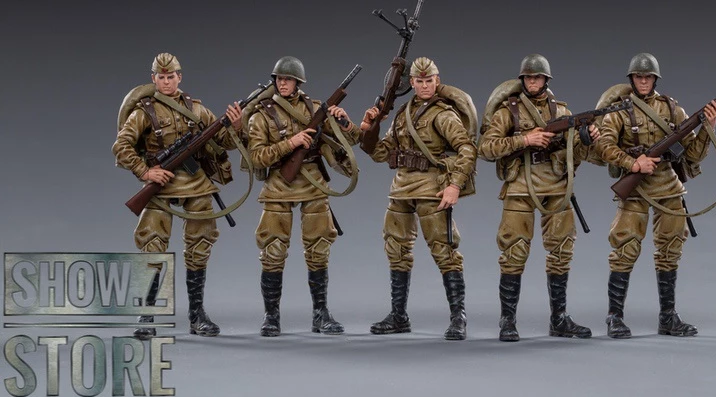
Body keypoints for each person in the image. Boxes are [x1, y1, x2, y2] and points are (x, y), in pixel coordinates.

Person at [113, 52, 243, 338]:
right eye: (161, 77)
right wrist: (145, 172)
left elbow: (221, 141)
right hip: (161, 186)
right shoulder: (144, 111)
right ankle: (147, 314)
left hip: (196, 184)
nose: (167, 82)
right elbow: (121, 146)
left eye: (171, 77)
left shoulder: (196, 109)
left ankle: (197, 314)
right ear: (153, 78)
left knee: (200, 247)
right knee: (152, 248)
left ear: (179, 77)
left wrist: (236, 126)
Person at [596, 52, 716, 339]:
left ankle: (668, 316)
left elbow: (693, 154)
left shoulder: (672, 109)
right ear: (631, 78)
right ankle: (615, 316)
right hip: (636, 188)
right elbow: (603, 146)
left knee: (670, 250)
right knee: (625, 249)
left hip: (667, 186)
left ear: (655, 79)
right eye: (639, 76)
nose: (643, 81)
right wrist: (632, 164)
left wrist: (708, 128)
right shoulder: (619, 111)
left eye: (648, 77)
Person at [479, 54, 599, 342]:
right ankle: (508, 320)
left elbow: (576, 154)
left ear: (546, 80)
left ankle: (559, 319)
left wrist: (586, 138)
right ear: (522, 80)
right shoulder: (508, 112)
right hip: (520, 187)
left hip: (556, 186)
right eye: (528, 77)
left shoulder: (562, 112)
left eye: (538, 77)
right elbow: (485, 148)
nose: (533, 81)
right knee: (513, 253)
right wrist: (525, 139)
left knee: (562, 252)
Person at [360, 57, 477, 340]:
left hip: (431, 189)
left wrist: (455, 185)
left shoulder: (443, 114)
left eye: (429, 81)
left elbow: (467, 149)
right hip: (401, 188)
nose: (425, 86)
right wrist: (367, 130)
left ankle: (458, 317)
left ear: (437, 81)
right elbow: (381, 152)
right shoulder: (402, 114)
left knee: (445, 251)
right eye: (420, 81)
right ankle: (398, 316)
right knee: (396, 250)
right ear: (411, 83)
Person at [247, 56, 359, 337]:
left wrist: (344, 122)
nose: (283, 83)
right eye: (279, 79)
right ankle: (271, 316)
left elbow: (351, 141)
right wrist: (291, 143)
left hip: (313, 182)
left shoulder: (316, 108)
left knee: (319, 249)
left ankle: (321, 313)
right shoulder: (262, 114)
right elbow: (256, 157)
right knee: (272, 250)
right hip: (278, 184)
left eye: (288, 79)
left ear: (298, 82)